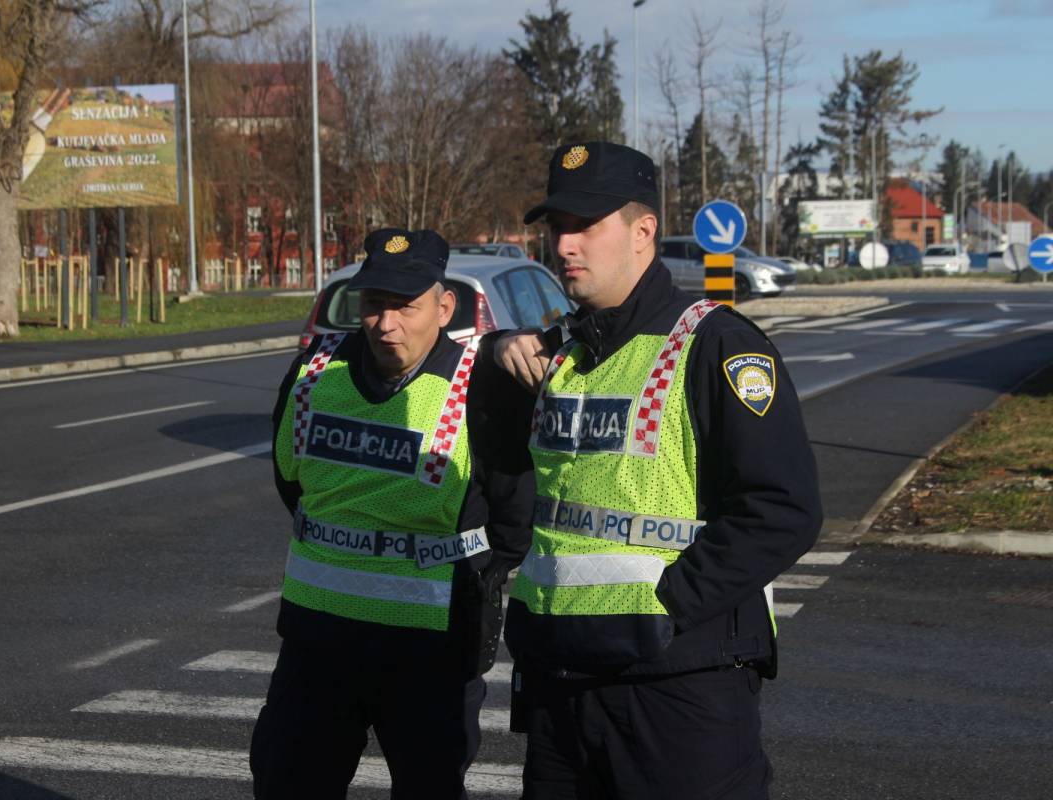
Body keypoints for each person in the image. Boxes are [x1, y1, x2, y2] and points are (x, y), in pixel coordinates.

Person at [493, 141, 823, 800]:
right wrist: (498, 362)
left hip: (677, 688)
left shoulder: (716, 344)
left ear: (643, 232)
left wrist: (666, 607)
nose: (563, 244)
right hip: (562, 682)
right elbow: (513, 486)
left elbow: (783, 510)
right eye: (557, 227)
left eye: (586, 225)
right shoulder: (559, 351)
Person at [249, 228, 534, 799]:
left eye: (406, 305)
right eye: (374, 303)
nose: (386, 323)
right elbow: (292, 482)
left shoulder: (478, 387)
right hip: (318, 645)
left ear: (444, 306)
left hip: (430, 653)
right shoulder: (313, 374)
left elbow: (512, 520)